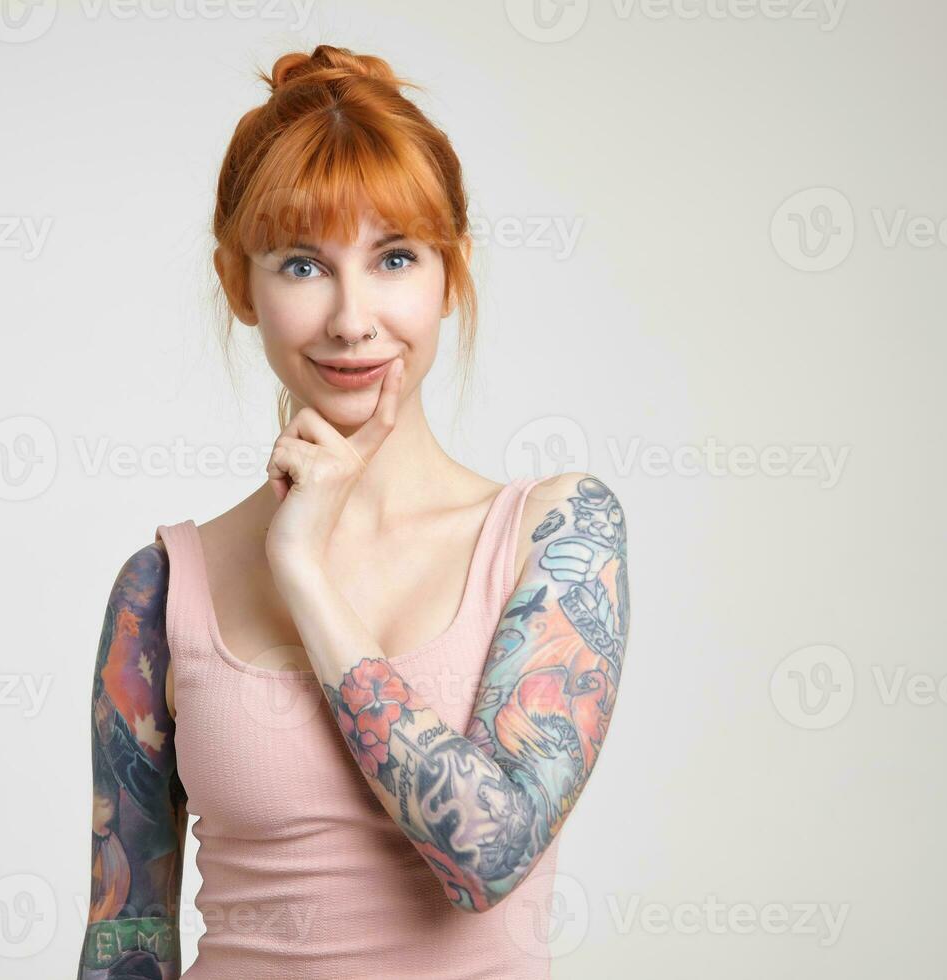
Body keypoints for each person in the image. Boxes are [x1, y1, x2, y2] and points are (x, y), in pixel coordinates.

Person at [78, 44, 630, 980]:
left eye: (395, 258)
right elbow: (124, 940)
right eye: (302, 265)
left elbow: (485, 858)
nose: (351, 318)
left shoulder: (559, 536)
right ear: (236, 285)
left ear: (449, 275)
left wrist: (304, 572)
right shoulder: (162, 590)